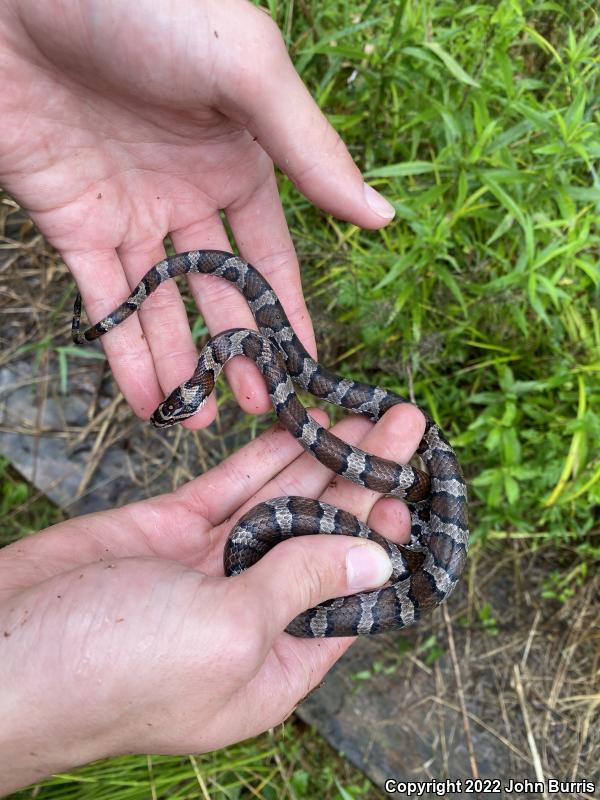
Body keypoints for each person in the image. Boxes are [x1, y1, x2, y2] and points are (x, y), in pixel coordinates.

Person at [0, 1, 424, 792]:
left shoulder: (241, 360)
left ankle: (398, 496)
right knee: (350, 455)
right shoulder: (231, 355)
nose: (176, 412)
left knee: (355, 438)